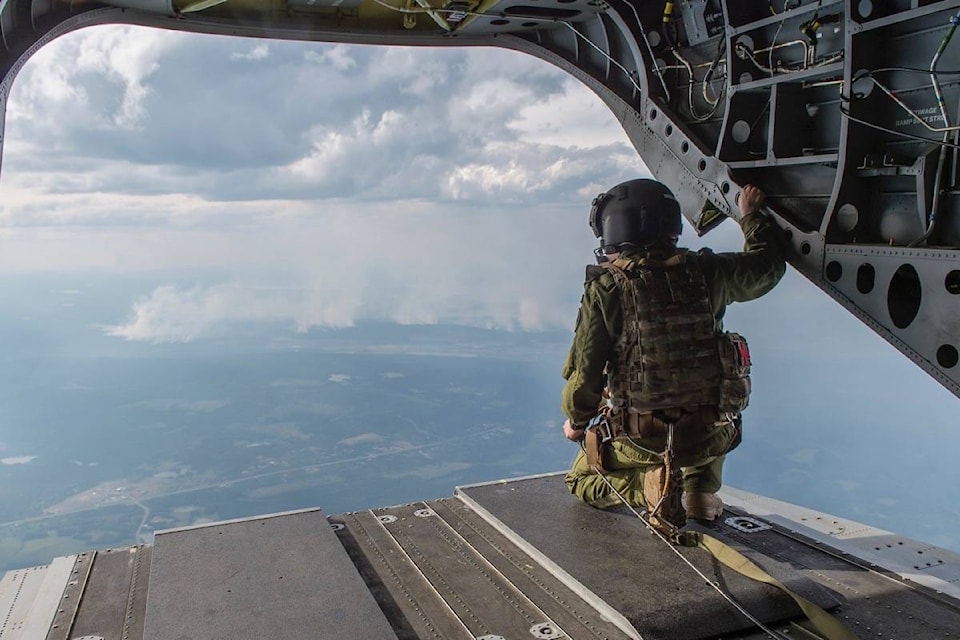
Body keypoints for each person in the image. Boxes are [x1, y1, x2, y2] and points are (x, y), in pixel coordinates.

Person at [561, 179, 785, 531]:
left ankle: (649, 488)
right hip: (709, 437)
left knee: (580, 481)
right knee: (703, 409)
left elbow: (586, 372)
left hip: (641, 440)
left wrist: (575, 423)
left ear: (615, 229)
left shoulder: (606, 287)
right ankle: (700, 493)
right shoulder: (709, 272)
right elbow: (768, 267)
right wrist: (751, 217)